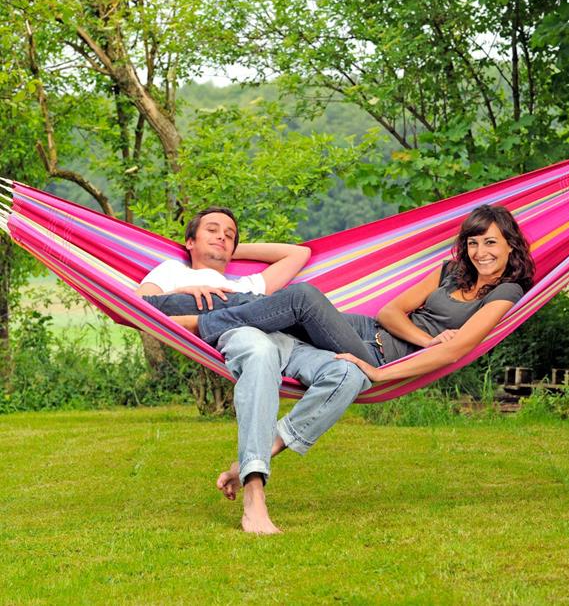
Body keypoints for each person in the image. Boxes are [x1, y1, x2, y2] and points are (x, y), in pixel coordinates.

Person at [137, 207, 371, 535]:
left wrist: (231, 249)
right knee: (261, 352)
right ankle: (254, 490)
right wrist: (180, 292)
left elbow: (299, 253)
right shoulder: (173, 271)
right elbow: (139, 305)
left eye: (229, 234)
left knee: (350, 373)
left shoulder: (247, 284)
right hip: (244, 336)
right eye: (212, 230)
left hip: (288, 340)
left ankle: (257, 454)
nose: (222, 236)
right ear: (189, 241)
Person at [165, 204, 535, 382]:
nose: (480, 252)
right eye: (473, 243)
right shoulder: (450, 272)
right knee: (264, 304)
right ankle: (152, 307)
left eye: (490, 242)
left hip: (376, 355)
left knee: (300, 297)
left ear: (510, 245)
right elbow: (390, 312)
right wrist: (426, 340)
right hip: (367, 327)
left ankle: (198, 324)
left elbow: (454, 350)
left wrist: (380, 376)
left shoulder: (507, 290)